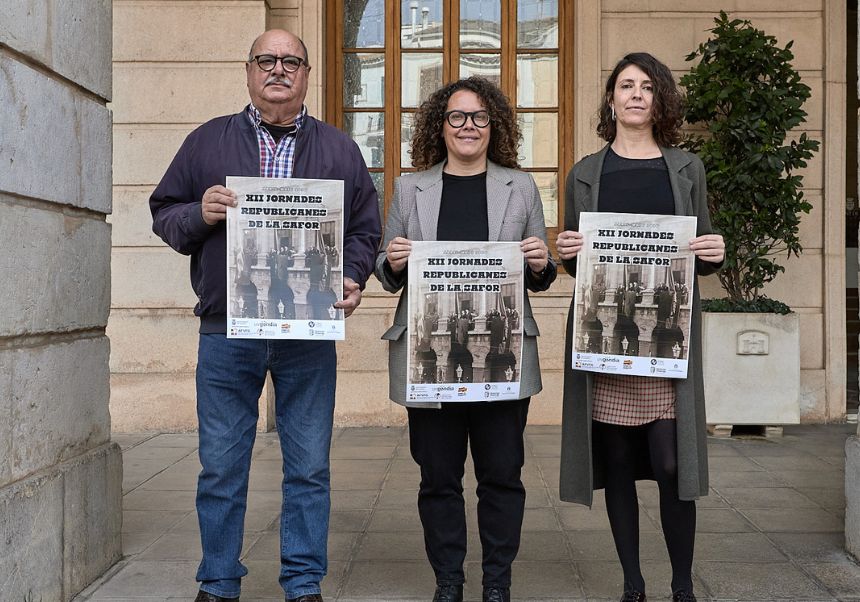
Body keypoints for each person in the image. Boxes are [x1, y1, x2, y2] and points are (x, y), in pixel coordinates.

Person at [149, 29, 381, 602]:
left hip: (307, 333)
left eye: (291, 62)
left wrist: (352, 276)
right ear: (249, 70)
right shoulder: (207, 142)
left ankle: (303, 585)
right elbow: (164, 212)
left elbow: (365, 230)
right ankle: (220, 583)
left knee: (309, 468)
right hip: (228, 330)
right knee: (221, 468)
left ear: (306, 74)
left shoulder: (340, 150)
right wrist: (199, 214)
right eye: (267, 61)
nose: (279, 70)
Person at [375, 77, 557, 602]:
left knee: (502, 476)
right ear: (441, 125)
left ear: (493, 124)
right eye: (457, 117)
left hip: (502, 353)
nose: (468, 126)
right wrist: (392, 261)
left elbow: (538, 268)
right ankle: (448, 582)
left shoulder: (519, 186)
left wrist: (542, 264)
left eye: (478, 117)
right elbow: (386, 271)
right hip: (430, 354)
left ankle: (496, 582)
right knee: (438, 479)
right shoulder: (412, 187)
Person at [555, 53, 725, 602]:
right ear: (611, 99)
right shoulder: (584, 172)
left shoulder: (685, 167)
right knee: (620, 465)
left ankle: (682, 585)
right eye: (625, 85)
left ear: (660, 99)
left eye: (647, 86)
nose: (635, 94)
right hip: (606, 337)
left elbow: (703, 249)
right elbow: (575, 261)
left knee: (674, 464)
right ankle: (633, 584)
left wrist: (715, 251)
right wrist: (566, 251)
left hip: (667, 342)